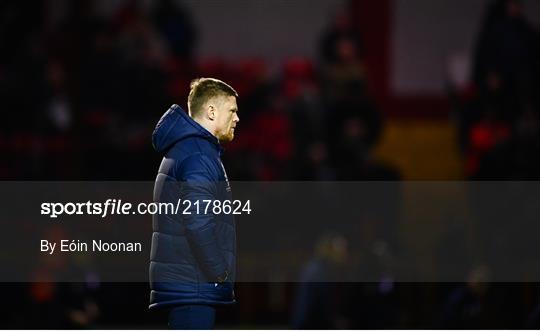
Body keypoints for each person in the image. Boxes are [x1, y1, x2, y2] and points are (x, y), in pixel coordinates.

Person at [149, 78, 239, 329]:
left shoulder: (187, 149)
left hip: (187, 285)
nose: (237, 119)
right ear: (211, 111)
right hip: (194, 288)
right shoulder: (199, 155)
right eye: (232, 111)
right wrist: (220, 273)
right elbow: (198, 223)